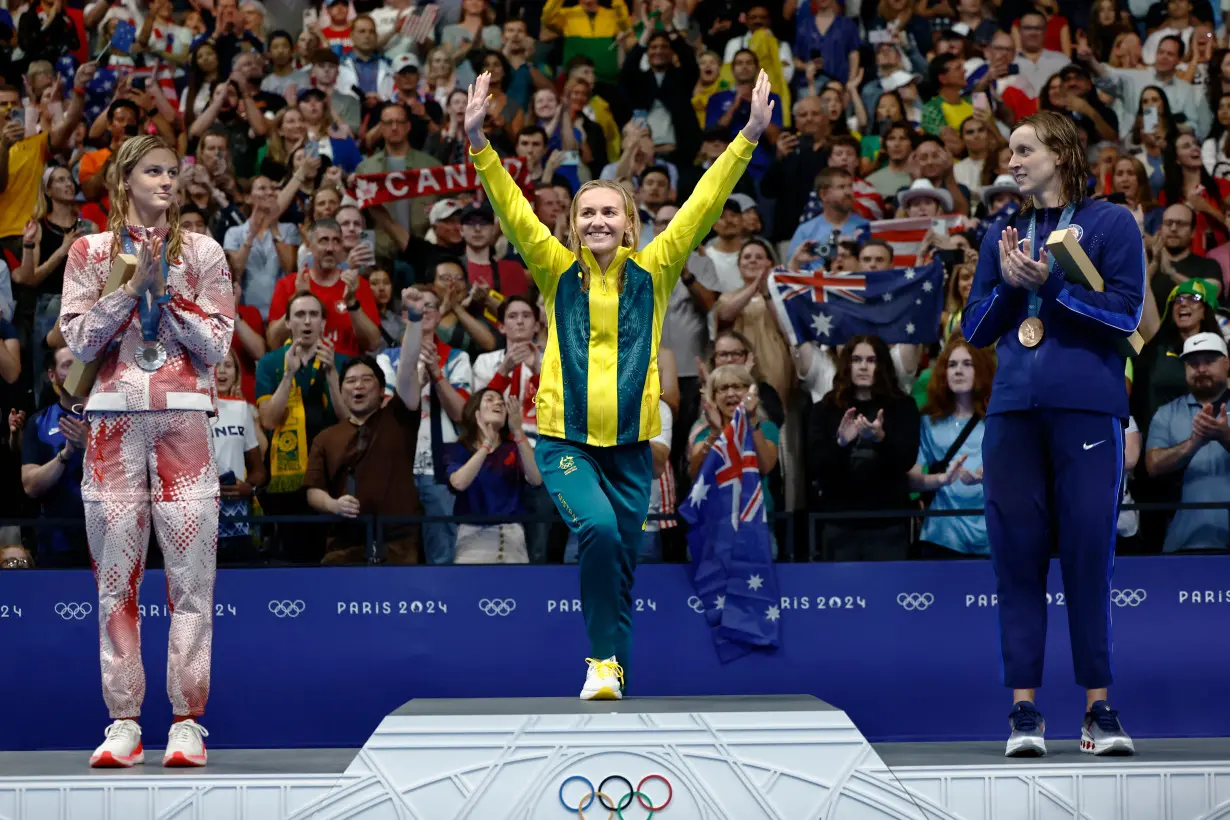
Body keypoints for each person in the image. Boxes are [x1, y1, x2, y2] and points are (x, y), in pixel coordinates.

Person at [465, 68, 772, 699]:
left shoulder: (656, 271)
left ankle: (611, 678)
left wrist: (749, 137)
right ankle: (601, 662)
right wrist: (479, 145)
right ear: (574, 226)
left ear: (630, 225)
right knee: (600, 533)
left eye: (610, 211)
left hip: (633, 449)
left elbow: (702, 205)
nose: (599, 220)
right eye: (588, 213)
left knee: (622, 571)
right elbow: (516, 213)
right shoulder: (555, 271)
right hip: (565, 443)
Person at [962, 111, 1145, 757]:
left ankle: (1099, 713)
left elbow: (1126, 313)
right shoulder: (1000, 233)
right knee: (1016, 562)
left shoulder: (1112, 223)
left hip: (1088, 411)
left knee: (1089, 560)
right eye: (1010, 151)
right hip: (1012, 412)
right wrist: (1013, 290)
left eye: (1022, 149)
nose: (1009, 160)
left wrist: (1054, 284)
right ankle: (1024, 715)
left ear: (1061, 154)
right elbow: (975, 330)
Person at [59, 135, 235, 768]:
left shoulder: (205, 253)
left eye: (172, 172)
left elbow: (218, 346)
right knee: (115, 583)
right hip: (111, 425)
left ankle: (187, 722)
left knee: (191, 581)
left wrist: (170, 294)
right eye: (153, 171)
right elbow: (78, 340)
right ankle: (124, 722)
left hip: (184, 421)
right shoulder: (90, 251)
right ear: (125, 180)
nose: (167, 181)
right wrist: (130, 291)